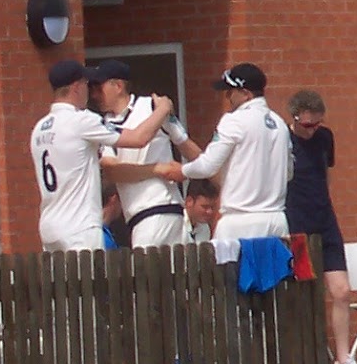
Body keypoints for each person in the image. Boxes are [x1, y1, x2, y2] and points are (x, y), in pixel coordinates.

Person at [30, 59, 176, 251]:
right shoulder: (82, 120)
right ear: (76, 87)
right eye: (86, 85)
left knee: (59, 282)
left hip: (50, 225)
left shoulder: (39, 129)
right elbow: (139, 138)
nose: (90, 92)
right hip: (79, 226)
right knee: (88, 281)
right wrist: (163, 109)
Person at [284, 89, 357, 364]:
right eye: (307, 126)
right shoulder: (283, 142)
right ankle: (308, 358)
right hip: (296, 223)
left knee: (341, 290)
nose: (312, 131)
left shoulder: (325, 138)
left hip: (324, 220)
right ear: (294, 118)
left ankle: (344, 360)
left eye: (317, 124)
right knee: (304, 295)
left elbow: (326, 175)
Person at [89, 59, 197, 248]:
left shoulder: (152, 107)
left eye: (99, 87)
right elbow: (111, 171)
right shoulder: (101, 125)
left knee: (149, 275)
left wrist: (191, 171)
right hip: (141, 217)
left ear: (118, 85)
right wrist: (158, 169)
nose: (94, 94)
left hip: (158, 212)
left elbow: (187, 146)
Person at [180, 64, 293, 239]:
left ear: (246, 93)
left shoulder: (234, 120)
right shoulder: (281, 125)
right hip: (277, 221)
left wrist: (180, 171)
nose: (227, 97)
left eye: (231, 91)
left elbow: (207, 166)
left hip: (240, 223)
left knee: (231, 267)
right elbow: (288, 173)